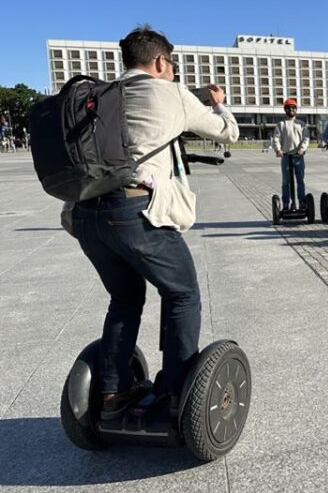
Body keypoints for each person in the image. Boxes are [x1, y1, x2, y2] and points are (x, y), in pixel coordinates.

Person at [70, 26, 239, 419]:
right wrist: (218, 104)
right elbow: (227, 133)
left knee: (125, 299)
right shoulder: (171, 92)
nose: (174, 71)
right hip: (134, 211)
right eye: (172, 64)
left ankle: (112, 394)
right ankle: (176, 394)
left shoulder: (100, 95)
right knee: (182, 294)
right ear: (161, 61)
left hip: (87, 215)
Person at [271, 99, 310, 208]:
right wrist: (278, 150)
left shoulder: (301, 124)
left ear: (296, 109)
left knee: (300, 181)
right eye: (288, 108)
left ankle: (302, 202)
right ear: (285, 110)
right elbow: (276, 138)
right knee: (286, 182)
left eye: (293, 108)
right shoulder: (281, 124)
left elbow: (306, 138)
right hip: (286, 156)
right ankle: (286, 203)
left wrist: (302, 149)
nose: (291, 109)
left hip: (298, 156)